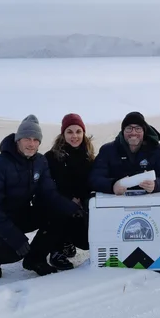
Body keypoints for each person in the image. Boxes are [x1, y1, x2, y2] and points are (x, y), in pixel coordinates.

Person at [0, 114, 83, 278]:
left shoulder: (40, 162)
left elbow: (49, 194)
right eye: (27, 138)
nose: (31, 144)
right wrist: (15, 237)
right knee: (15, 250)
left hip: (20, 213)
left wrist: (72, 209)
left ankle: (35, 259)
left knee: (56, 215)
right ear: (18, 139)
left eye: (36, 139)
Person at [44, 113, 95, 269]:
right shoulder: (51, 157)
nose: (75, 136)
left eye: (78, 132)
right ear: (63, 134)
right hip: (58, 203)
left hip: (81, 204)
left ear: (83, 133)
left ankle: (68, 241)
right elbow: (48, 186)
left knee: (87, 242)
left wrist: (83, 199)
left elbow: (90, 183)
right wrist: (68, 198)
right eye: (70, 132)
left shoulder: (89, 156)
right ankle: (55, 250)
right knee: (58, 209)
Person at [89, 111, 160, 195]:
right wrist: (112, 185)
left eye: (138, 128)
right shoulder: (107, 150)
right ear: (123, 131)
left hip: (150, 201)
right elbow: (95, 178)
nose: (133, 133)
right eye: (129, 128)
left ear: (144, 131)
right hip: (116, 203)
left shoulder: (156, 149)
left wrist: (156, 185)